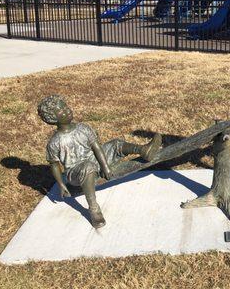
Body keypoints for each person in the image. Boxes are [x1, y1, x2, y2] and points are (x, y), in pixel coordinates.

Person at [37, 95, 162, 228]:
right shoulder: (54, 142)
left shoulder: (83, 128)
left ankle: (143, 150)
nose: (67, 110)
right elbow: (54, 165)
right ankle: (94, 208)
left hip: (93, 161)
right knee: (87, 167)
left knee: (115, 144)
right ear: (52, 119)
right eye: (61, 111)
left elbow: (97, 148)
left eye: (66, 106)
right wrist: (61, 184)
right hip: (74, 172)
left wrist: (105, 167)